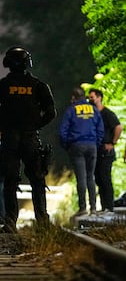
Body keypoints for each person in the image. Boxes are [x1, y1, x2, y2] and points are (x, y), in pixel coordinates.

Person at [0, 47, 57, 233]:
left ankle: (10, 222)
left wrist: (4, 127)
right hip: (30, 138)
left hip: (9, 139)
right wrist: (35, 125)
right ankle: (42, 222)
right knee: (37, 180)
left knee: (10, 181)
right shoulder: (39, 86)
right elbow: (51, 112)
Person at [59, 87, 104, 216]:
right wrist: (96, 143)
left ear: (74, 98)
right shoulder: (94, 110)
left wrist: (67, 145)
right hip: (92, 146)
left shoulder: (71, 110)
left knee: (81, 177)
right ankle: (94, 208)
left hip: (77, 146)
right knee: (91, 176)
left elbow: (63, 131)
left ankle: (83, 208)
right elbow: (100, 129)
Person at [88, 88, 123, 214]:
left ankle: (109, 207)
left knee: (105, 178)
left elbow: (119, 127)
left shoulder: (107, 113)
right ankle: (104, 207)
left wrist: (112, 143)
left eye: (92, 97)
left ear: (99, 97)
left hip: (105, 151)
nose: (90, 100)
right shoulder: (92, 113)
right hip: (96, 150)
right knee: (98, 179)